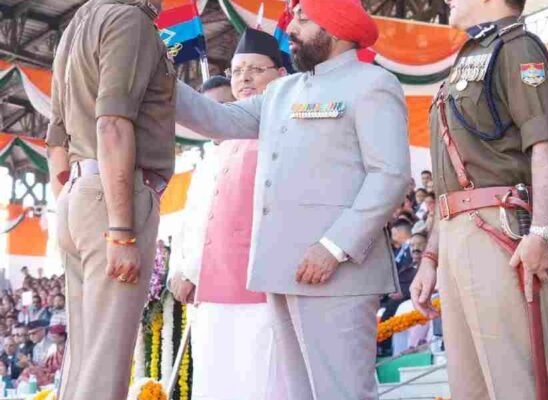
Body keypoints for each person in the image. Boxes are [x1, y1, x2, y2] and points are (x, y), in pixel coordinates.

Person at [175, 0, 410, 397]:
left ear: (335, 27)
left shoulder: (372, 84)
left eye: (303, 18)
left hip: (338, 274)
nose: (292, 29)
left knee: (341, 392)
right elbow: (217, 119)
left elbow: (390, 176)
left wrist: (334, 247)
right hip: (283, 272)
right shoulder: (282, 91)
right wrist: (157, 74)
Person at [410, 0, 548, 399]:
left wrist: (542, 233)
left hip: (497, 228)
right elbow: (449, 180)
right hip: (456, 232)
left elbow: (547, 144)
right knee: (469, 387)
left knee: (515, 380)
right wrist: (431, 256)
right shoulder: (468, 55)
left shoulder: (518, 47)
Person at [46, 0, 176, 398]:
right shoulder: (130, 20)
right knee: (105, 366)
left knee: (84, 360)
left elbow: (55, 138)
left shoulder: (78, 24)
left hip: (78, 193)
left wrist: (71, 202)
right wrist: (120, 229)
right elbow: (112, 123)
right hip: (113, 199)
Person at [169, 29, 288, 400]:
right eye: (237, 71)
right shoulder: (218, 148)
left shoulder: (288, 132)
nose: (245, 78)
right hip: (210, 291)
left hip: (263, 290)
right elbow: (194, 217)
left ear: (281, 75)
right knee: (215, 385)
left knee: (263, 383)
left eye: (255, 69)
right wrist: (182, 270)